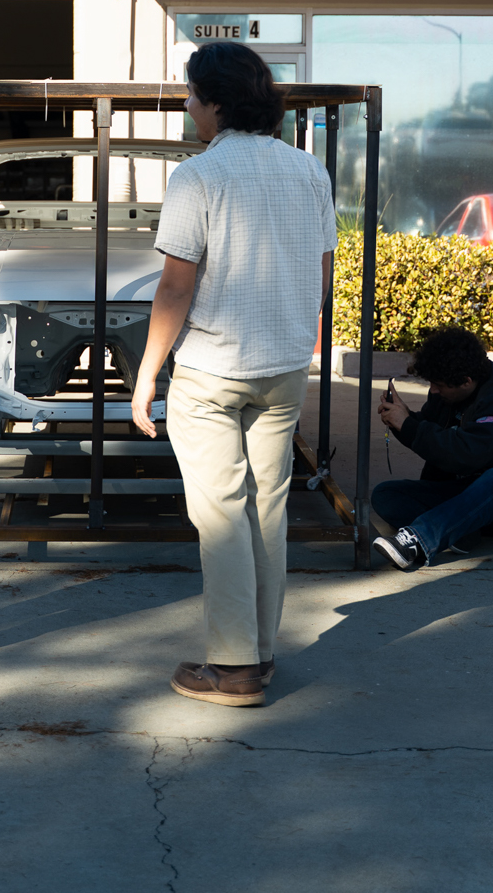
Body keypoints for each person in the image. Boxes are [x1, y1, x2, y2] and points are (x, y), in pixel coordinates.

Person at [131, 42, 336, 708]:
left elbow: (175, 287)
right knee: (266, 511)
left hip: (211, 371)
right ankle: (260, 652)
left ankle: (233, 666)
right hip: (284, 369)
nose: (188, 106)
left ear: (216, 102)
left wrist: (147, 374)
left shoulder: (198, 176)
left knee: (220, 515)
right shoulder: (309, 171)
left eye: (191, 95)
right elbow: (323, 275)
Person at [373, 327, 493, 570]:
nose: (433, 390)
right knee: (386, 494)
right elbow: (433, 434)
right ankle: (462, 530)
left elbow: (467, 454)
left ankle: (418, 540)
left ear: (466, 381)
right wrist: (403, 420)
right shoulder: (448, 386)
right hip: (474, 492)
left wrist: (408, 426)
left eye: (438, 385)